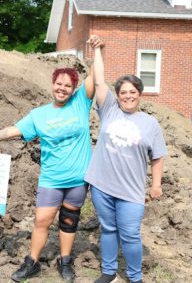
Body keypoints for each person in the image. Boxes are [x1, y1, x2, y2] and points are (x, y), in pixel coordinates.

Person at [0, 36, 102, 283]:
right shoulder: (39, 115)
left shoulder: (81, 103)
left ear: (74, 89)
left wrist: (97, 52)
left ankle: (65, 261)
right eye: (58, 84)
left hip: (78, 179)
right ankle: (32, 262)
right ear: (52, 84)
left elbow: (96, 78)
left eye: (67, 85)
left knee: (69, 221)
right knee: (42, 220)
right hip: (51, 178)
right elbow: (12, 130)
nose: (62, 89)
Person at [84, 37, 167, 283]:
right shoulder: (109, 109)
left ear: (139, 94)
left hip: (131, 190)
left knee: (130, 234)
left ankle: (135, 277)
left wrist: (156, 184)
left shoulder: (150, 123)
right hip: (102, 185)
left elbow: (158, 157)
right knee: (108, 229)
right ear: (117, 95)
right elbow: (99, 80)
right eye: (123, 92)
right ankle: (109, 272)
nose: (127, 96)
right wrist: (99, 49)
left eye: (132, 92)